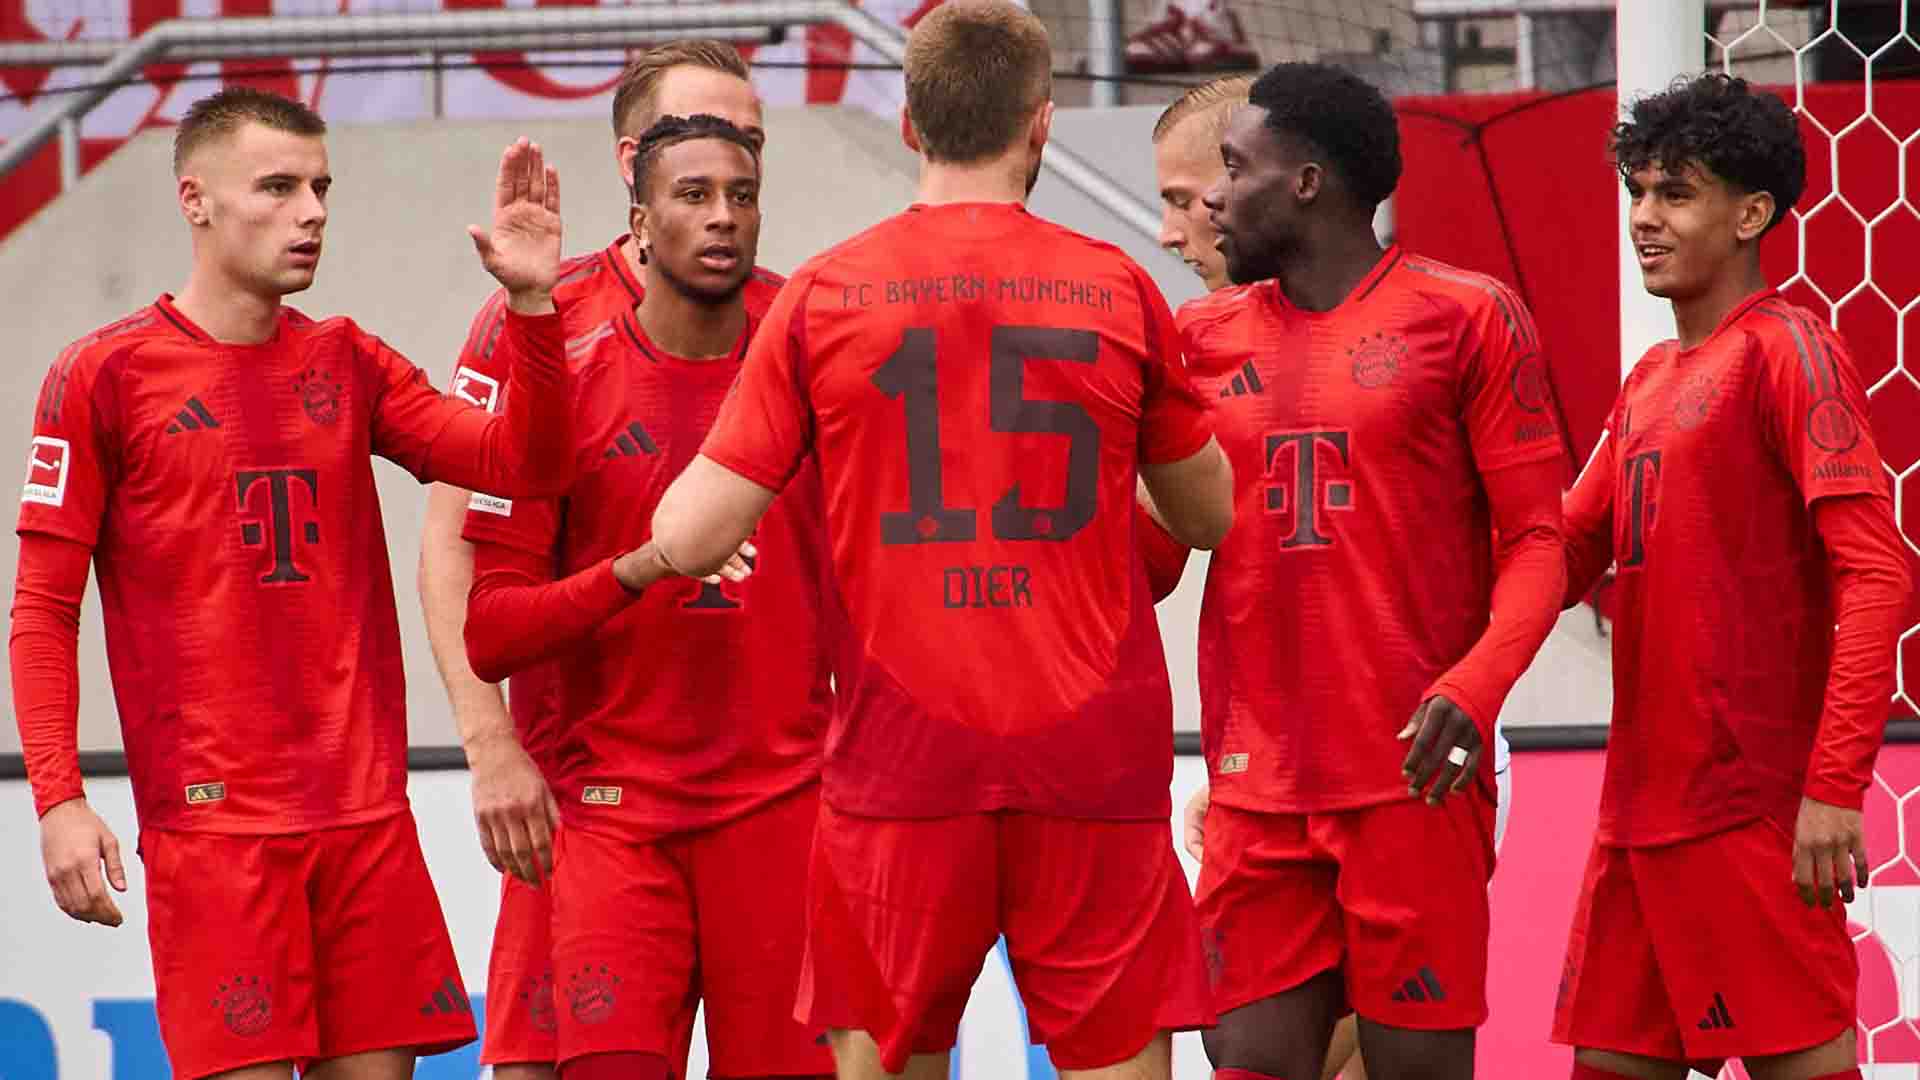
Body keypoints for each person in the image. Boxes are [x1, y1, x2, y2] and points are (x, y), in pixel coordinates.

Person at [636, 3, 1236, 1076]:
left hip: (901, 767)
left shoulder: (824, 293)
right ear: (1041, 125)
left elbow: (685, 538)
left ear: (910, 126)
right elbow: (1207, 516)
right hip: (1092, 759)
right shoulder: (1118, 287)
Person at [12, 87, 575, 1080]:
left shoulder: (348, 359)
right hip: (217, 835)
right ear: (196, 200)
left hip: (366, 822)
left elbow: (523, 466)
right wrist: (59, 797)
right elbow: (44, 609)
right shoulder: (101, 375)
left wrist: (534, 307)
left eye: (321, 187)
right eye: (278, 187)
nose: (312, 210)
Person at [1181, 61, 1569, 1080]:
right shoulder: (1195, 342)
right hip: (1253, 791)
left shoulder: (1469, 317)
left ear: (1307, 181)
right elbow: (1147, 558)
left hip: (1413, 784)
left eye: (1234, 166)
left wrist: (1475, 689)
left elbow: (1542, 541)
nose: (1214, 196)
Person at [413, 40, 783, 1080]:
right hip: (585, 793)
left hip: (769, 796)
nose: (729, 182)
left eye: (750, 147)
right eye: (701, 150)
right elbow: (456, 544)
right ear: (637, 166)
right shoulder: (535, 321)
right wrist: (491, 749)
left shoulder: (794, 319)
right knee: (542, 1063)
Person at [1552, 72, 1911, 1080]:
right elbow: (1558, 553)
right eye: (1637, 192)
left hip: (1750, 817)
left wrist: (1834, 790)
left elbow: (1878, 576)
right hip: (1636, 824)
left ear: (1751, 213)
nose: (1643, 219)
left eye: (1675, 193)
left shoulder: (1791, 351)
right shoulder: (1649, 382)